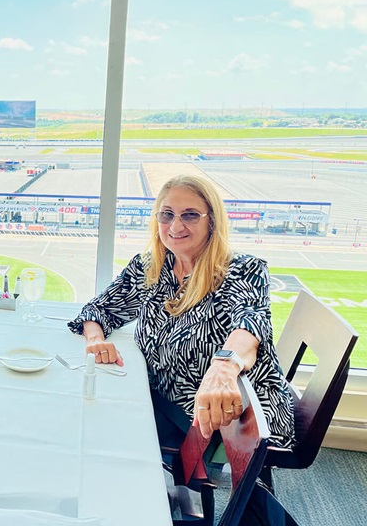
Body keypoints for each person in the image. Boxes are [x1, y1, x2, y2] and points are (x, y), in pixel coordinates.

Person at [68, 175, 295, 449]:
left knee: (93, 429)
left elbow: (250, 323)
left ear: (212, 221)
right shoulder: (150, 267)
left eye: (190, 215)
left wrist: (224, 367)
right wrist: (95, 340)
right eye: (167, 214)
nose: (175, 226)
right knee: (79, 408)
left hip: (228, 422)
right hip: (161, 399)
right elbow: (98, 309)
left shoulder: (241, 270)